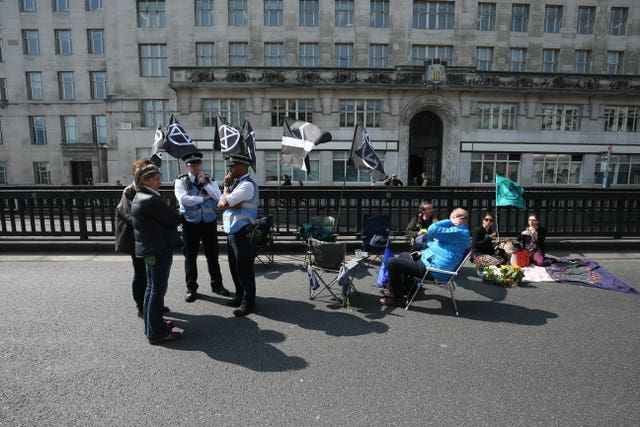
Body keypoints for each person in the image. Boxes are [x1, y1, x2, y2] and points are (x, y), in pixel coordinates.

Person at [130, 164, 182, 344]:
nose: (160, 182)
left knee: (151, 289)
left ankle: (153, 325)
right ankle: (156, 332)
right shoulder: (151, 200)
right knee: (156, 291)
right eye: (156, 179)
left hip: (150, 248)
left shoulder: (140, 196)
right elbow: (174, 219)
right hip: (157, 249)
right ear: (145, 180)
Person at [380, 208, 470, 307]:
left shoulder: (457, 232)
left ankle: (397, 298)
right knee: (403, 255)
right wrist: (422, 252)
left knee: (391, 263)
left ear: (454, 218)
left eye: (451, 218)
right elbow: (437, 247)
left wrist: (449, 221)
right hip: (431, 263)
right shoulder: (460, 232)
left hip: (433, 270)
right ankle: (404, 289)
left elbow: (431, 230)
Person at [115, 158, 170, 318]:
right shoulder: (130, 191)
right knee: (141, 273)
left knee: (152, 276)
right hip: (136, 240)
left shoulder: (149, 190)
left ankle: (153, 304)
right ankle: (142, 306)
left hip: (149, 239)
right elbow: (132, 216)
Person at [175, 151, 230, 303]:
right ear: (187, 166)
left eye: (198, 164)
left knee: (213, 256)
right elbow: (184, 199)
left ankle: (217, 285)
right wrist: (203, 198)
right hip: (190, 223)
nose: (196, 167)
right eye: (192, 165)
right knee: (190, 257)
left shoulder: (209, 180)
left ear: (201, 164)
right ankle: (191, 288)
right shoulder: (181, 181)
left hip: (209, 222)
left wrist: (205, 184)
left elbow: (218, 196)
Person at [217, 154, 259, 317]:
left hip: (243, 232)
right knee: (235, 268)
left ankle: (249, 303)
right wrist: (228, 200)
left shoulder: (246, 185)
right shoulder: (237, 184)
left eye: (232, 166)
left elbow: (225, 202)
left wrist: (226, 189)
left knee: (244, 269)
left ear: (242, 166)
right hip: (232, 230)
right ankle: (240, 296)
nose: (230, 169)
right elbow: (221, 203)